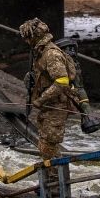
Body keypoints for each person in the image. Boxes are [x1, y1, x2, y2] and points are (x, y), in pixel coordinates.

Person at [19, 18, 76, 184]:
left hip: (56, 107)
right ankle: (52, 182)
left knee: (49, 146)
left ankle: (56, 185)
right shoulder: (40, 52)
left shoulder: (51, 53)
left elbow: (62, 81)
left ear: (34, 37)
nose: (25, 41)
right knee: (46, 146)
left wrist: (41, 100)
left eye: (27, 37)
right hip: (49, 107)